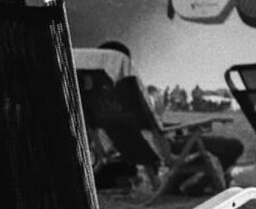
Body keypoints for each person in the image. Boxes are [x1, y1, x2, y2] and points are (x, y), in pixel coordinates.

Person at [93, 41, 245, 194]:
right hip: (162, 148)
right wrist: (195, 124)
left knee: (204, 146)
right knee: (234, 146)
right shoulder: (131, 92)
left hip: (131, 148)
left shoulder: (93, 95)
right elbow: (152, 126)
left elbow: (142, 124)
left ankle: (177, 184)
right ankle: (195, 186)